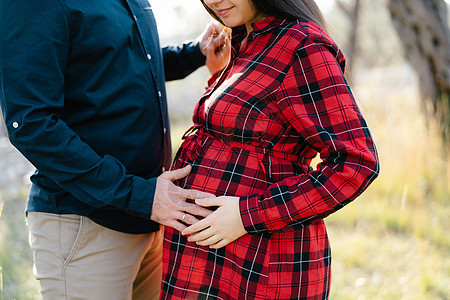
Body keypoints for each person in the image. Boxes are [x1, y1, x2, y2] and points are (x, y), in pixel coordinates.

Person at [0, 0, 229, 299]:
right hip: (86, 226)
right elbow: (32, 125)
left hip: (150, 218)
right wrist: (141, 196)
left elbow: (122, 66)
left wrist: (193, 54)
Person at [161, 0, 380, 299]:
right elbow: (253, 130)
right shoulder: (246, 40)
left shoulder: (302, 45)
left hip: (261, 254)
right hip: (210, 254)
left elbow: (356, 161)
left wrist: (246, 215)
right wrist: (217, 77)